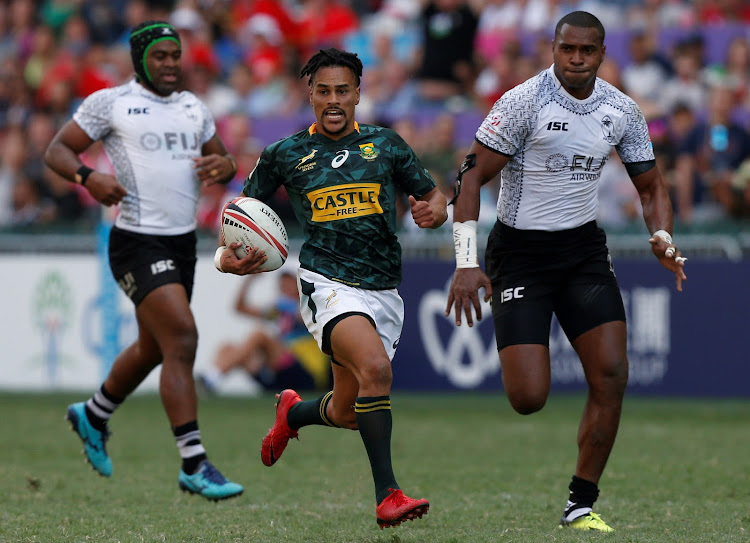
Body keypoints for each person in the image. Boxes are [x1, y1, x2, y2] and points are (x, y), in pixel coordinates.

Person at [445, 11, 688, 533]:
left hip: (582, 253)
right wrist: (466, 262)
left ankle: (581, 502)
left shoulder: (621, 109)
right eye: (567, 50)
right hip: (520, 254)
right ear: (552, 50)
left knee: (612, 375)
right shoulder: (522, 101)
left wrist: (662, 238)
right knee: (528, 398)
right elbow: (470, 177)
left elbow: (652, 187)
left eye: (587, 51)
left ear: (602, 54)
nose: (576, 59)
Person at [215, 47, 447, 528]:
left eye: (343, 90)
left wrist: (436, 210)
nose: (334, 99)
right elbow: (234, 221)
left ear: (358, 93)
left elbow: (433, 196)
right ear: (311, 95)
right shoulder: (284, 154)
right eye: (324, 91)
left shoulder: (387, 145)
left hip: (384, 289)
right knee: (376, 371)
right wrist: (225, 260)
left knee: (347, 411)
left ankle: (292, 414)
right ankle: (389, 496)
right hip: (327, 283)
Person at [44, 20, 248, 501]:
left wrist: (227, 165)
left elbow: (223, 160)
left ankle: (93, 414)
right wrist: (87, 177)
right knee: (181, 335)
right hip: (135, 241)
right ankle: (195, 463)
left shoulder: (195, 108)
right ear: (141, 60)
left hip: (181, 244)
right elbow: (57, 150)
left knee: (155, 347)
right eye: (160, 56)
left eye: (175, 55)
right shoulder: (111, 103)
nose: (171, 63)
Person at [198, 271, 332, 394]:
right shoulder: (280, 310)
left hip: (307, 374)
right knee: (227, 347)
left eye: (289, 283)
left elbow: (307, 318)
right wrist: (249, 280)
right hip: (282, 373)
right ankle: (211, 379)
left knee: (259, 335)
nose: (284, 287)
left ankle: (211, 378)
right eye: (282, 284)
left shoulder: (310, 306)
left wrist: (288, 307)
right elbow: (240, 308)